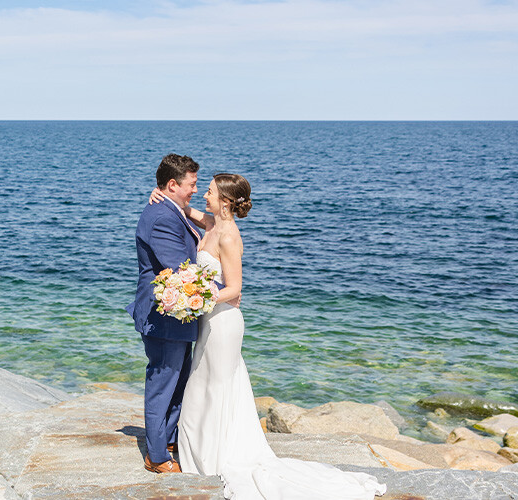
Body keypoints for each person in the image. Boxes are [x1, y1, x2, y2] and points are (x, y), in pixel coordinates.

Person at [149, 174, 386, 499]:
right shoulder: (212, 223)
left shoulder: (229, 236)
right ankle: (201, 449)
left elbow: (235, 289)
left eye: (210, 191)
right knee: (201, 383)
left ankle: (220, 456)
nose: (204, 194)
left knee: (217, 385)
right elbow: (186, 210)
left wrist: (193, 295)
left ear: (226, 201)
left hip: (224, 323)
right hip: (208, 322)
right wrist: (162, 194)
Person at [127, 153, 204, 473]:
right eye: (191, 184)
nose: (195, 190)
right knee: (163, 381)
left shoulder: (173, 209)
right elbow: (180, 270)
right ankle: (156, 456)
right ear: (172, 184)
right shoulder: (162, 217)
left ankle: (169, 437)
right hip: (164, 314)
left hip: (176, 316)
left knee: (178, 379)